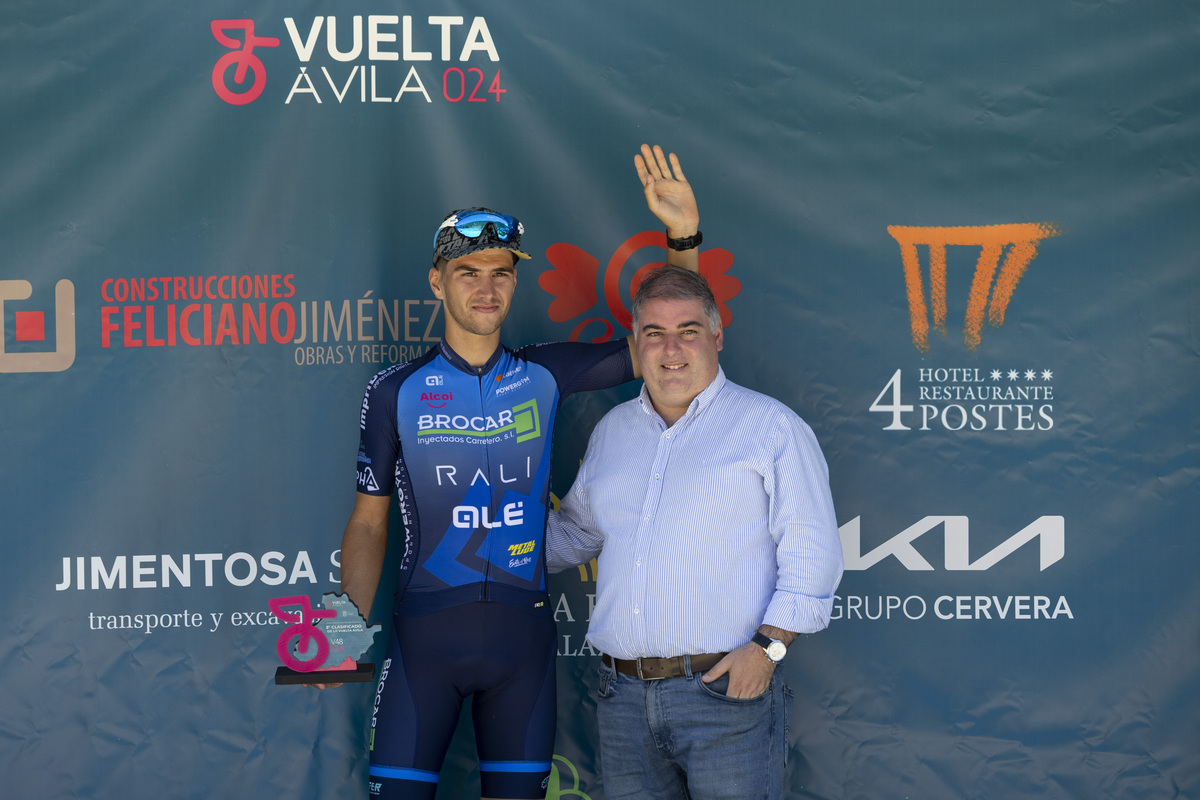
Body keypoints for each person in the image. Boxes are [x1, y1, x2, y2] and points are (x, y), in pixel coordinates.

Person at [327, 145, 703, 800]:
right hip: (425, 643)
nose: (486, 286)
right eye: (467, 270)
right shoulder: (396, 391)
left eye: (501, 272)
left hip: (521, 645)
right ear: (436, 282)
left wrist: (682, 238)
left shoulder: (543, 375)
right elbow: (367, 523)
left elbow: (660, 347)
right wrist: (341, 630)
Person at [545, 266, 844, 800]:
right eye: (653, 333)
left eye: (688, 330)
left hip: (724, 695)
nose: (671, 348)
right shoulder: (612, 431)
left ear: (717, 334)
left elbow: (812, 556)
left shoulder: (770, 427)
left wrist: (766, 652)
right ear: (636, 344)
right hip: (623, 701)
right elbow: (574, 536)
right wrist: (487, 526)